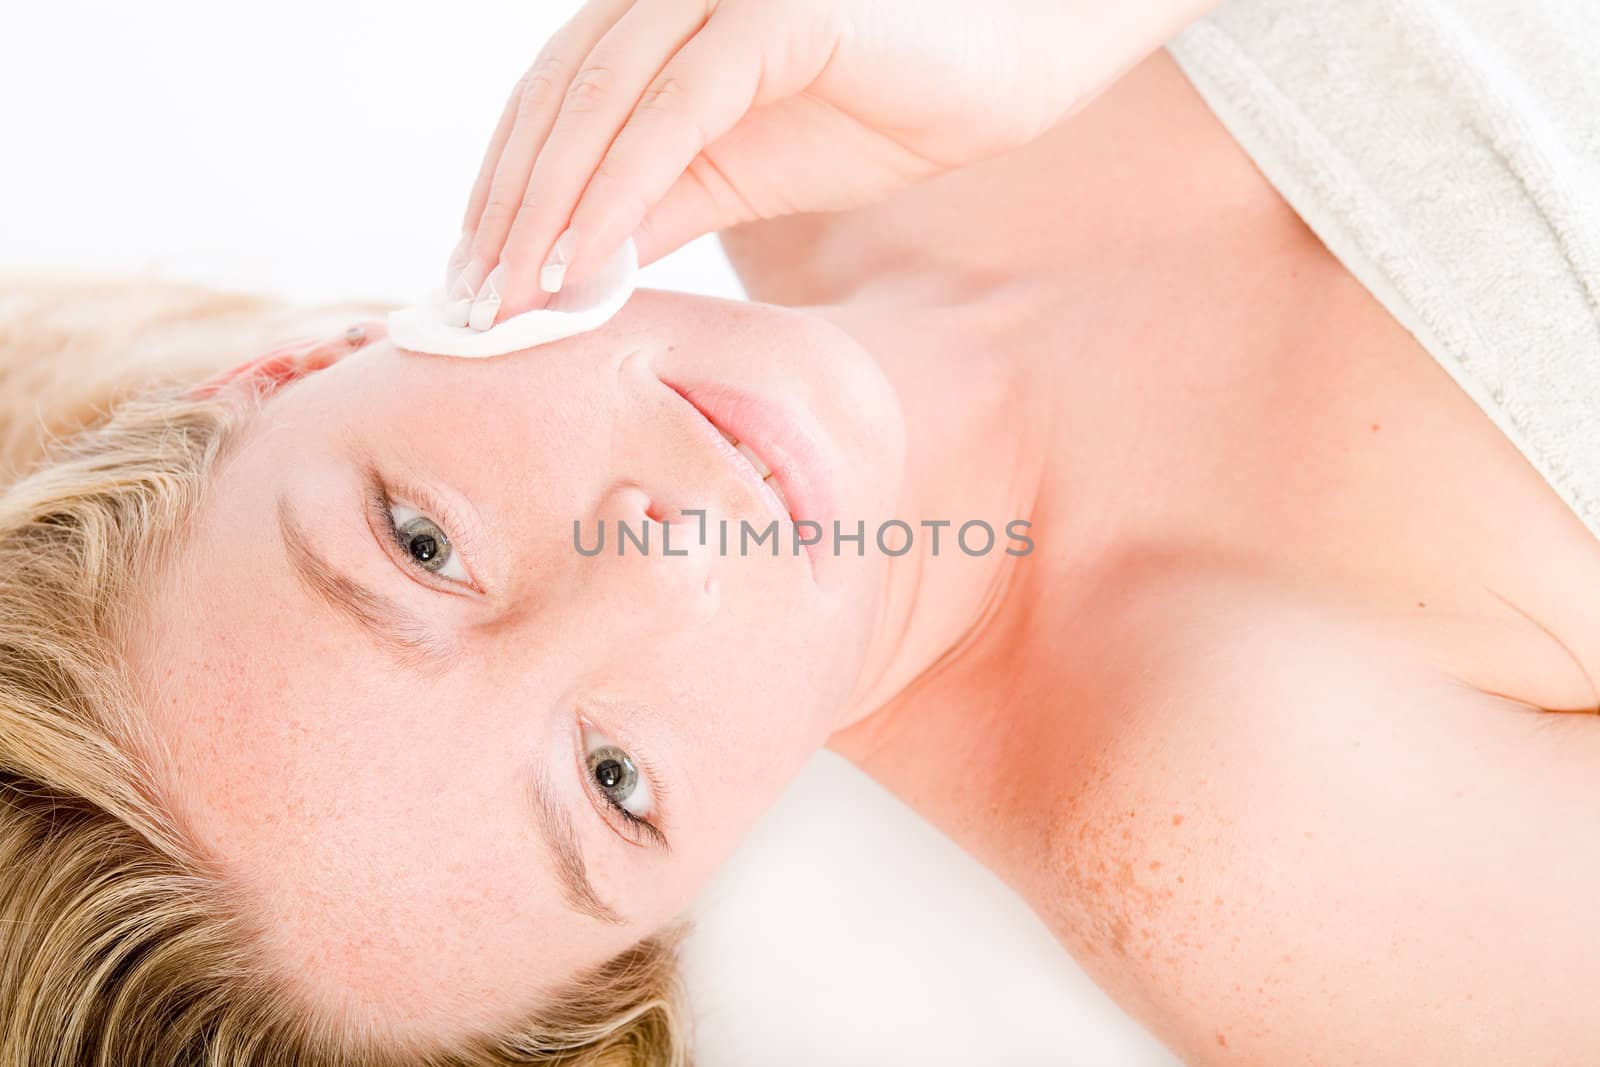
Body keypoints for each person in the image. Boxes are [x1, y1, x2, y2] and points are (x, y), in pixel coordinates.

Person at [2, 0, 1596, 1064]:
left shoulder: (786, 52)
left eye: (424, 550)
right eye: (613, 785)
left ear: (299, 367)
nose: (666, 565)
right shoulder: (1239, 840)